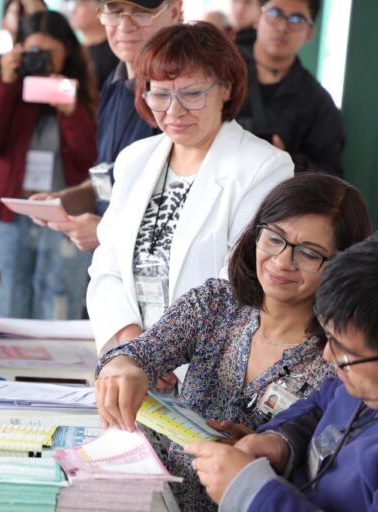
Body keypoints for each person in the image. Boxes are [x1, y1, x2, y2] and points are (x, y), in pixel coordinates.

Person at [95, 174, 374, 511]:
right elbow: (135, 355)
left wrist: (254, 476)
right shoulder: (217, 303)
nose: (283, 261)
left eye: (309, 254)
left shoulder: (346, 361)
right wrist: (125, 367)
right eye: (274, 239)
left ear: (344, 264)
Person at [87, 22, 293, 359]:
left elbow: (236, 281)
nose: (174, 111)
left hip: (208, 369)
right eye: (160, 94)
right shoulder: (135, 159)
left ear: (226, 88)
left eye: (192, 94)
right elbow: (106, 263)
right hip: (130, 360)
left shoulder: (263, 167)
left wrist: (160, 351)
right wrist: (131, 342)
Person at [187, 232, 378, 512]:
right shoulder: (357, 384)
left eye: (344, 348)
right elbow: (319, 406)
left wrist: (251, 492)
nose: (328, 356)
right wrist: (280, 442)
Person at [29, 0, 181, 253]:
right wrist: (63, 202)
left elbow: (187, 207)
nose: (125, 25)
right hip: (110, 268)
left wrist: (106, 232)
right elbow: (106, 181)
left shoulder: (179, 99)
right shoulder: (114, 84)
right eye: (114, 11)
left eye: (142, 13)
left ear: (175, 11)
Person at [0, 10, 97, 320]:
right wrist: (4, 81)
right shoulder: (8, 85)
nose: (41, 60)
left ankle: (54, 369)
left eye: (49, 53)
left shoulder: (80, 90)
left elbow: (91, 158)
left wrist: (71, 112)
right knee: (8, 293)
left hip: (62, 210)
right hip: (11, 211)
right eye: (33, 52)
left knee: (59, 293)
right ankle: (5, 365)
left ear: (67, 50)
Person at [236, 0, 344, 177]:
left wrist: (287, 161)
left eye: (296, 19)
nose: (283, 27)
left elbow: (332, 176)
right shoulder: (221, 73)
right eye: (274, 14)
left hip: (278, 199)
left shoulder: (318, 102)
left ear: (309, 33)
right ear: (257, 18)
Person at [69, 0, 117, 86]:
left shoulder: (118, 49)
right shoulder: (73, 50)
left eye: (79, 4)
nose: (73, 10)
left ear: (100, 9)